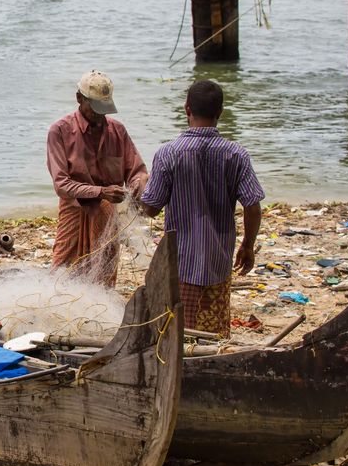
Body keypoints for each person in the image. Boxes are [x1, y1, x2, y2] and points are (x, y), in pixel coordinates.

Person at [140, 80, 265, 338]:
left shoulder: (168, 153)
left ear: (187, 109)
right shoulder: (235, 154)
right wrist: (247, 245)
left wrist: (138, 189)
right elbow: (252, 206)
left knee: (178, 330)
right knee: (214, 331)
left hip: (180, 261)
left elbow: (150, 209)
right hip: (218, 258)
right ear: (220, 112)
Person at [47, 70, 148, 287]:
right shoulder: (60, 131)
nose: (99, 115)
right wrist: (101, 192)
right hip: (74, 210)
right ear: (79, 99)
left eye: (103, 109)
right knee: (63, 270)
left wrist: (137, 187)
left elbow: (137, 170)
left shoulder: (117, 131)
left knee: (105, 271)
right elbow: (61, 184)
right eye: (94, 108)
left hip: (107, 214)